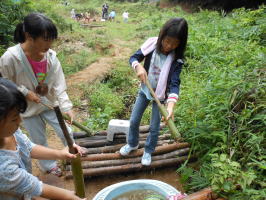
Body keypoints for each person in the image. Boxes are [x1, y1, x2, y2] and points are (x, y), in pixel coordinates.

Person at [0, 12, 83, 176]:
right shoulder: (11, 58)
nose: (50, 43)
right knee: (38, 139)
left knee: (64, 130)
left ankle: (74, 152)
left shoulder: (51, 58)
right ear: (29, 36)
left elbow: (59, 84)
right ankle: (48, 166)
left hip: (50, 104)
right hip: (28, 109)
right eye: (46, 39)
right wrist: (25, 92)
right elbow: (5, 83)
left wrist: (67, 106)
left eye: (52, 38)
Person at [0, 78, 86, 200]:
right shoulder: (3, 169)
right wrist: (69, 196)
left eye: (19, 114)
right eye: (14, 119)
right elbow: (33, 186)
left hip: (21, 191)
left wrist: (60, 154)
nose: (20, 120)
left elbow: (28, 147)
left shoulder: (8, 132)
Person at [119, 18, 188, 166]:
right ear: (162, 35)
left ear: (180, 44)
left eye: (175, 44)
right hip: (145, 90)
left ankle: (148, 150)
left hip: (161, 97)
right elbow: (134, 58)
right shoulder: (151, 45)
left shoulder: (177, 60)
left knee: (155, 128)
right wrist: (138, 67)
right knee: (134, 120)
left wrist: (170, 106)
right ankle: (132, 144)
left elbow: (175, 83)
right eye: (167, 41)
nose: (169, 46)